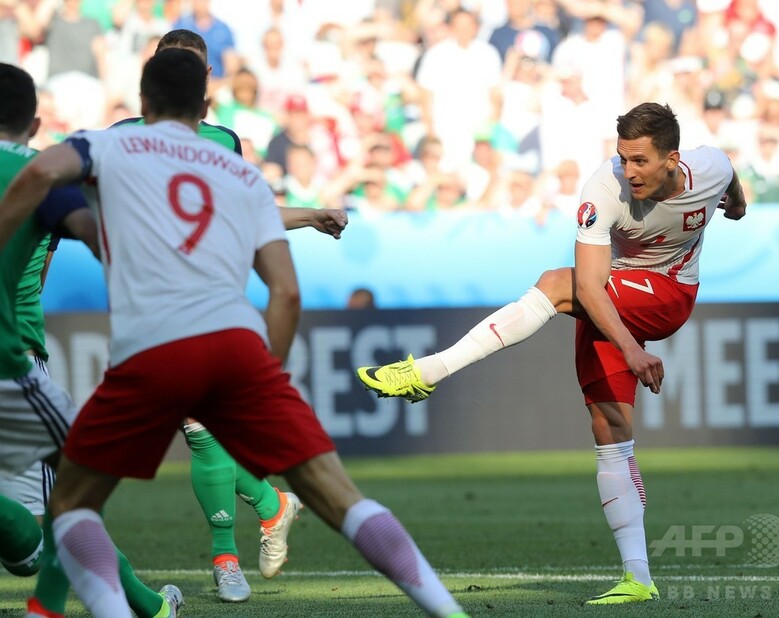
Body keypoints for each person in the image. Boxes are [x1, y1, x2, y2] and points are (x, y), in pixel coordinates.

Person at [0, 48, 469, 618]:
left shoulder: (109, 146)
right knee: (341, 498)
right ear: (205, 107)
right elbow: (286, 292)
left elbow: (39, 172)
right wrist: (267, 376)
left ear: (142, 102)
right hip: (236, 346)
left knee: (72, 505)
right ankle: (447, 610)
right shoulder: (239, 173)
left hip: (152, 349)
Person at [357, 102, 747, 604]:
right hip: (610, 299)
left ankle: (430, 370)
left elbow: (729, 176)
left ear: (672, 159)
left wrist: (737, 206)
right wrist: (630, 349)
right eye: (623, 158)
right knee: (609, 428)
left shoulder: (708, 167)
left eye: (640, 161)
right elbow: (590, 287)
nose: (629, 171)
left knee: (553, 283)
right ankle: (638, 579)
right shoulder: (603, 189)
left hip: (669, 295)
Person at [115, 28, 349, 603]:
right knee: (198, 428)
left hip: (207, 302)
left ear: (206, 80)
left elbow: (249, 213)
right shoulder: (121, 138)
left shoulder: (222, 142)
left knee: (197, 430)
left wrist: (310, 214)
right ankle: (271, 507)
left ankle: (228, 556)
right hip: (150, 307)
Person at [0, 62, 184, 618]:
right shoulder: (40, 173)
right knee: (73, 496)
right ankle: (143, 607)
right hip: (12, 359)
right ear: (35, 125)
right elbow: (99, 236)